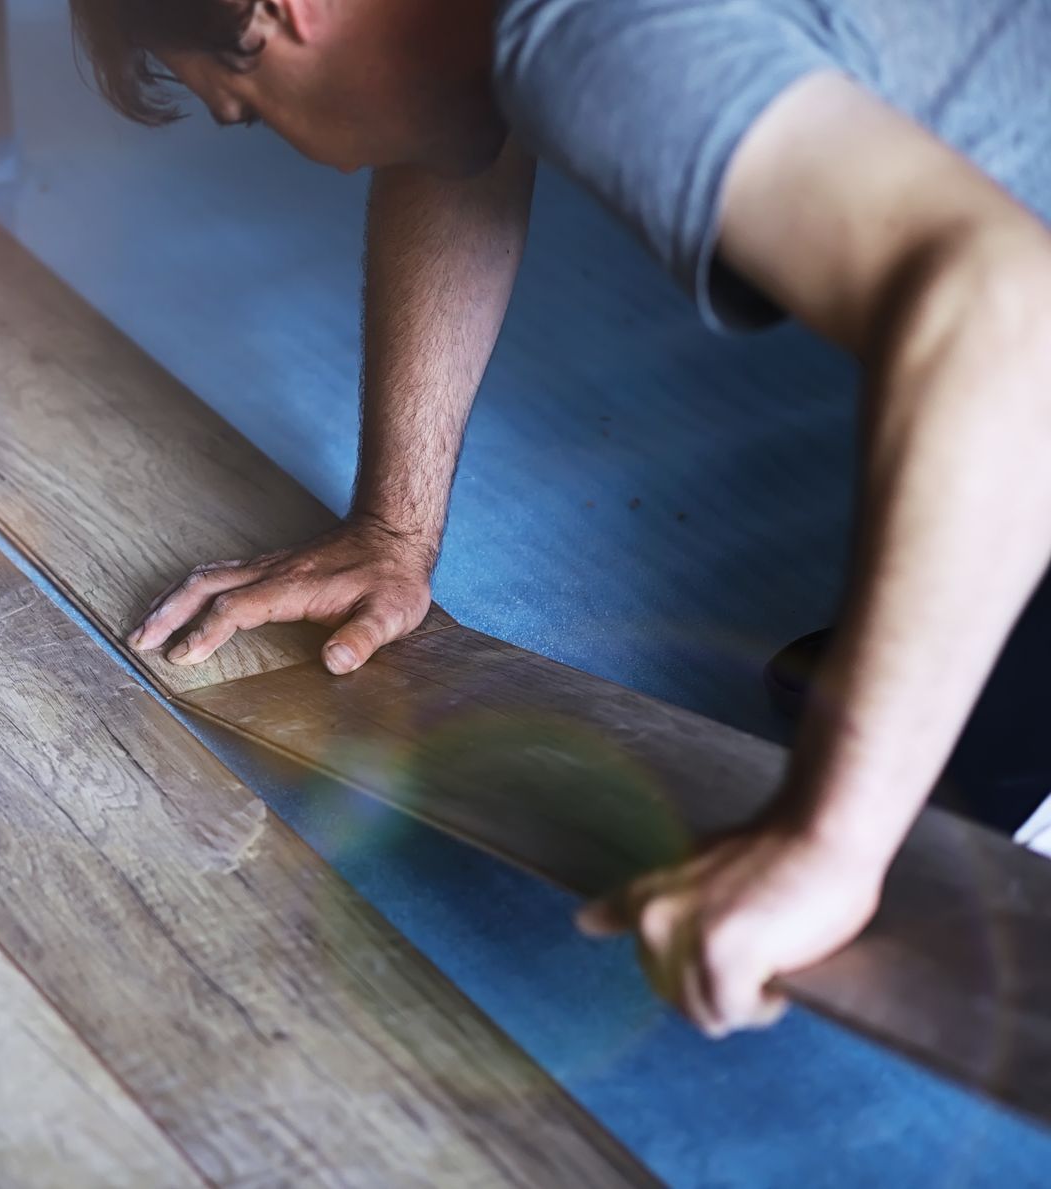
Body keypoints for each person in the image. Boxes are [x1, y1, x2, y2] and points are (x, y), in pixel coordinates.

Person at [70, 0, 1051, 1036]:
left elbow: (1009, 315)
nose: (293, 144)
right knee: (909, 661)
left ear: (288, 12)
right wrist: (392, 532)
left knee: (939, 859)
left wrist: (834, 846)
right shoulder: (484, 31)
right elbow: (457, 129)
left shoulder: (599, 34)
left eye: (252, 110)